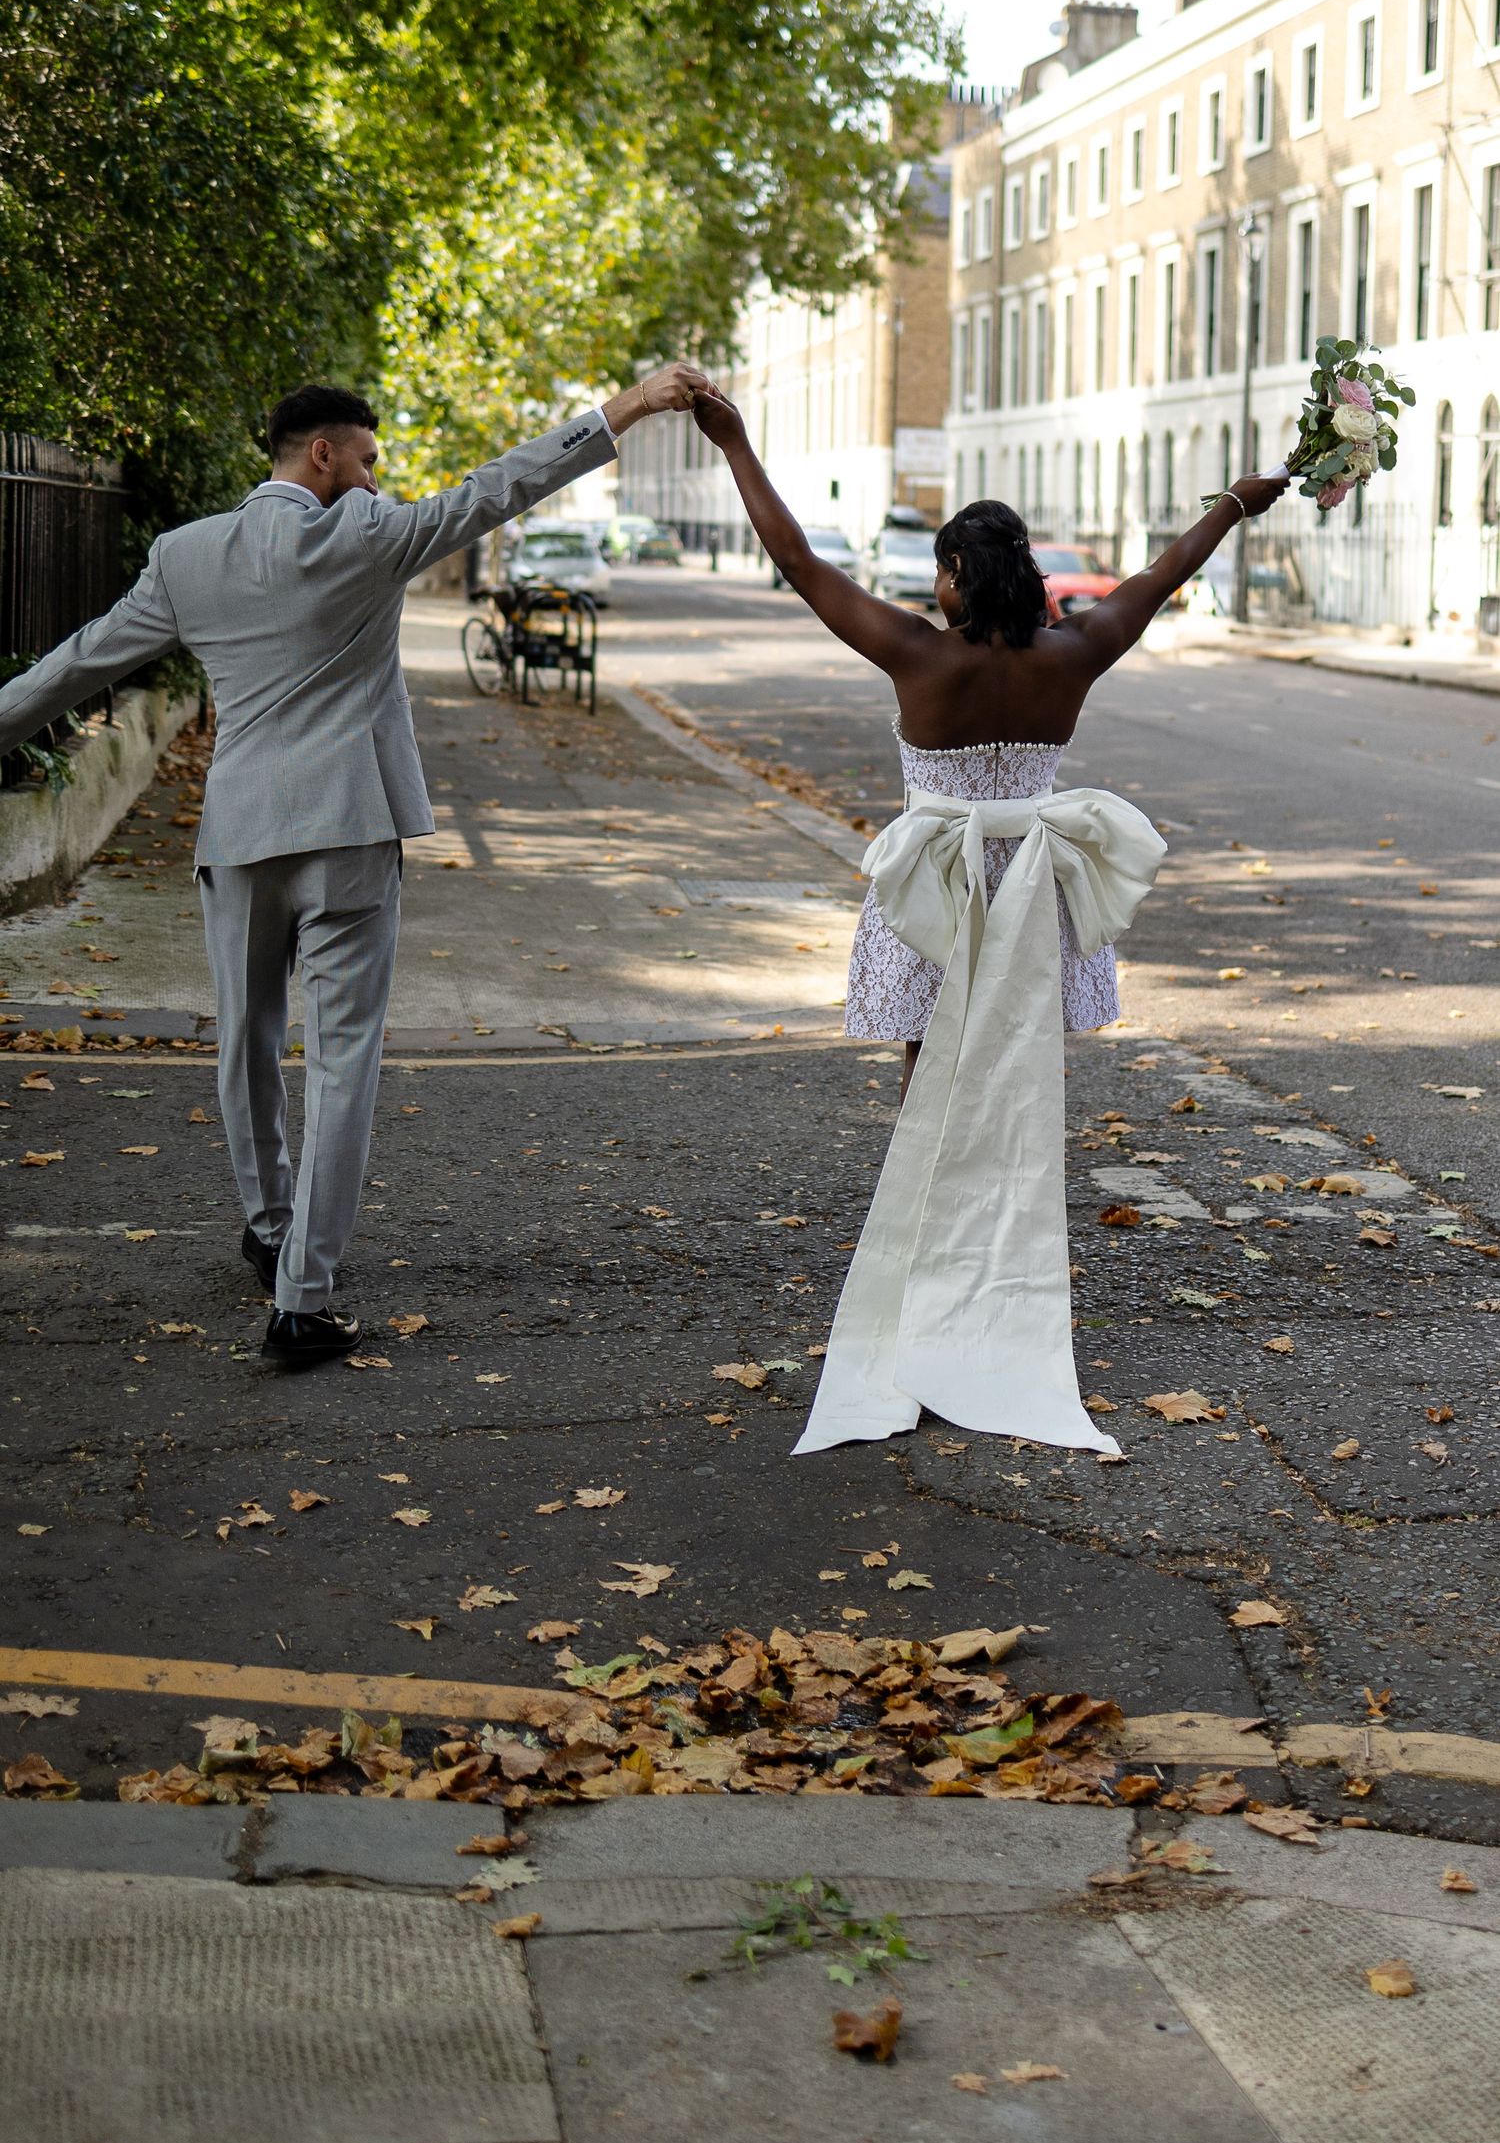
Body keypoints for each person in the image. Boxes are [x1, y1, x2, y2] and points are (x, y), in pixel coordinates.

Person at [0, 361, 710, 1366]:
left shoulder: (185, 556)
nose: (378, 479)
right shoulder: (367, 535)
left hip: (240, 836)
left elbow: (80, 661)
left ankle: (269, 1229)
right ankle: (303, 1299)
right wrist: (630, 404)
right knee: (341, 1064)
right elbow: (501, 487)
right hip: (348, 834)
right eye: (369, 461)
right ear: (324, 456)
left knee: (245, 1040)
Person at [691, 386, 1288, 1453]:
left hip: (938, 894)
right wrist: (1235, 504)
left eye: (940, 568)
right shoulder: (1078, 652)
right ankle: (993, 1304)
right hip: (1031, 900)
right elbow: (1163, 575)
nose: (933, 585)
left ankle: (927, 1308)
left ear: (960, 574)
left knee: (931, 1095)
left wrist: (736, 442)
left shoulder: (923, 656)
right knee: (1013, 1097)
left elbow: (797, 562)